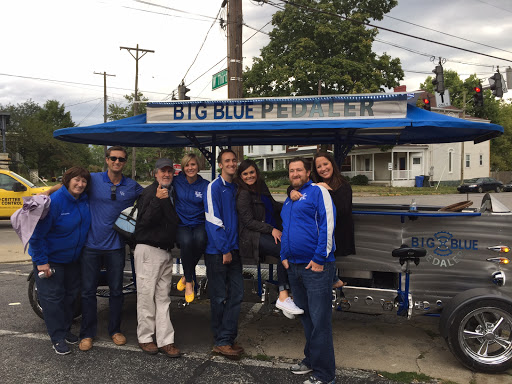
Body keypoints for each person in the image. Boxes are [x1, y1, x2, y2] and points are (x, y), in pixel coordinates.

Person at [77, 146, 144, 351]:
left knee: (117, 291)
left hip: (116, 247)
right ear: (106, 160)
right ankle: (87, 334)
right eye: (113, 158)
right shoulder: (93, 179)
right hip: (91, 245)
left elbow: (149, 197)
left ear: (125, 162)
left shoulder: (131, 186)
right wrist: (46, 193)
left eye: (121, 159)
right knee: (88, 291)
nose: (117, 162)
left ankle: (115, 330)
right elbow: (69, 186)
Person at [281, 157, 337, 384]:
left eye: (298, 170)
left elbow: (328, 224)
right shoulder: (289, 200)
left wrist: (319, 258)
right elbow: (286, 228)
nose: (295, 174)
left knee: (320, 320)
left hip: (316, 267)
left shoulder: (318, 192)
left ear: (307, 172)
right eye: (291, 171)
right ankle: (311, 360)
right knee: (306, 319)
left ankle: (325, 375)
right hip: (294, 267)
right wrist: (284, 255)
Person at [28, 167, 91, 355]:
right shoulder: (53, 203)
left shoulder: (84, 199)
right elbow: (36, 235)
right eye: (76, 180)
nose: (80, 184)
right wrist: (41, 262)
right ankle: (56, 337)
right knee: (52, 299)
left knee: (71, 297)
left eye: (84, 181)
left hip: (72, 259)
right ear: (67, 180)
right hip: (51, 260)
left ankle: (65, 330)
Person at [234, 159, 303, 318]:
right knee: (283, 251)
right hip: (253, 236)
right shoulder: (243, 193)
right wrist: (271, 229)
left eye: (252, 172)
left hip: (269, 230)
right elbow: (248, 221)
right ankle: (283, 294)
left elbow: (272, 205)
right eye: (245, 174)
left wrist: (292, 205)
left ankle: (291, 294)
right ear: (241, 176)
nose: (249, 176)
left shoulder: (261, 186)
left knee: (294, 247)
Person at [133, 158, 181, 357]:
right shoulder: (149, 193)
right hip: (148, 250)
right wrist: (157, 200)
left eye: (169, 171)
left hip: (165, 251)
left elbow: (173, 221)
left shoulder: (171, 193)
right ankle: (145, 338)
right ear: (155, 173)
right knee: (146, 297)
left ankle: (165, 341)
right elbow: (143, 223)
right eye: (163, 171)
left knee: (163, 298)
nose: (166, 174)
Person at [290, 151, 355, 288]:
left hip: (337, 233)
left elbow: (343, 210)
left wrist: (328, 190)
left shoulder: (343, 185)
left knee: (326, 254)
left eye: (325, 164)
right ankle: (329, 281)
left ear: (332, 164)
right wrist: (291, 192)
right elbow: (293, 185)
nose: (323, 168)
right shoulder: (313, 183)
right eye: (319, 166)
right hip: (317, 233)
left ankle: (333, 281)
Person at [204, 148, 244, 359]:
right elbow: (212, 220)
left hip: (234, 250)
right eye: (227, 161)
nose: (231, 163)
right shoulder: (214, 187)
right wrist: (224, 249)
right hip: (218, 252)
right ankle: (220, 341)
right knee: (219, 297)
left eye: (233, 160)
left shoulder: (236, 187)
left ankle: (226, 337)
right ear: (220, 165)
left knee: (237, 295)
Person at [173, 153, 209, 303]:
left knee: (201, 240)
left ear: (198, 166)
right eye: (187, 165)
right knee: (186, 242)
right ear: (183, 167)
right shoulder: (176, 181)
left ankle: (184, 276)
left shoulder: (205, 185)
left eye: (193, 164)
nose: (190, 168)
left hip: (199, 223)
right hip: (182, 224)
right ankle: (189, 282)